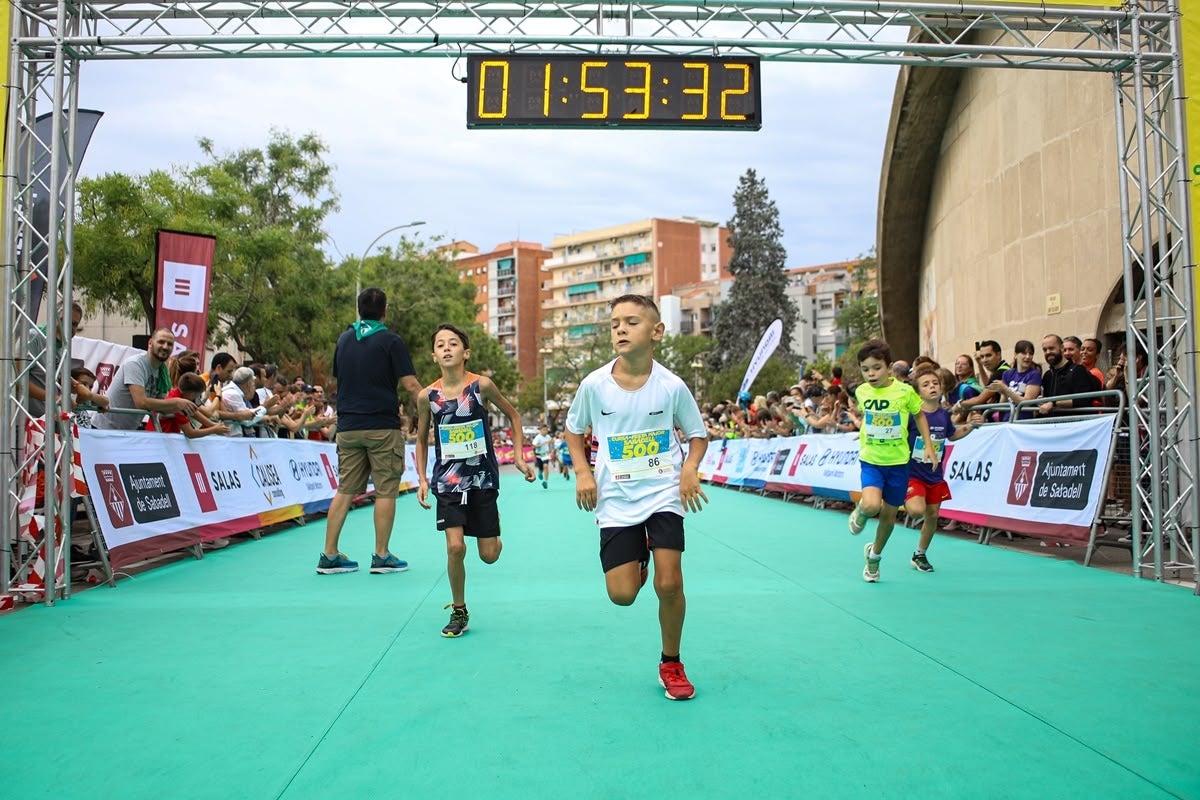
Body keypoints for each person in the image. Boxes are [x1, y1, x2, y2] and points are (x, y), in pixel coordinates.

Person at [565, 294, 709, 701]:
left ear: (656, 332)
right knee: (622, 595)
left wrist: (688, 468)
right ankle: (639, 556)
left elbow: (697, 436)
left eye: (631, 322)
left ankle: (672, 661)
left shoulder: (672, 386)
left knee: (669, 582)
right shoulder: (594, 385)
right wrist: (581, 472)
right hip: (617, 499)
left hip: (663, 491)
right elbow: (574, 431)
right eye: (614, 324)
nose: (621, 330)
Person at [415, 324, 534, 637]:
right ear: (433, 355)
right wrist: (422, 479)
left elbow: (514, 416)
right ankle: (459, 609)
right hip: (448, 481)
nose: (446, 348)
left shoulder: (481, 386)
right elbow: (420, 439)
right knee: (455, 547)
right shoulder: (427, 396)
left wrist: (519, 457)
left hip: (482, 479)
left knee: (489, 555)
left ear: (465, 353)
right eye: (440, 344)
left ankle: (494, 533)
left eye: (453, 343)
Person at [317, 287, 423, 575]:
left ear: (359, 309)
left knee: (345, 489)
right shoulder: (391, 341)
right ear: (385, 310)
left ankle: (329, 555)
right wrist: (434, 410)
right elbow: (411, 385)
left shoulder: (344, 339)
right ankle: (381, 555)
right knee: (386, 490)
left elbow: (341, 379)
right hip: (381, 427)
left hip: (348, 427)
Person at [847, 339, 936, 583]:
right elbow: (871, 418)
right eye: (865, 369)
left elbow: (919, 416)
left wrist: (928, 445)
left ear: (888, 367)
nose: (871, 374)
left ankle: (874, 557)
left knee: (889, 516)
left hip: (898, 463)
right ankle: (861, 511)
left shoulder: (905, 392)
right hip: (872, 460)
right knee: (871, 505)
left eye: (876, 367)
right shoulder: (862, 392)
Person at [903, 368, 981, 572]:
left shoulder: (943, 415)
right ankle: (899, 495)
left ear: (942, 387)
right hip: (912, 474)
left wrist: (971, 426)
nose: (932, 387)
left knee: (933, 516)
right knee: (916, 510)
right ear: (918, 392)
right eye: (926, 384)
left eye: (935, 383)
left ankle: (919, 554)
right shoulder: (912, 415)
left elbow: (952, 435)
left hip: (935, 475)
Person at [92, 328, 196, 430]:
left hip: (128, 432)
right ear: (150, 343)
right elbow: (141, 402)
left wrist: (187, 409)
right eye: (161, 342)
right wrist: (177, 403)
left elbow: (162, 406)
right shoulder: (135, 364)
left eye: (170, 344)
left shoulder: (162, 371)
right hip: (103, 429)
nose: (165, 347)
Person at [531, 424, 553, 488]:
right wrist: (542, 444)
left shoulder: (548, 437)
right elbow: (534, 446)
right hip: (539, 455)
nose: (545, 431)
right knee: (541, 468)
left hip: (546, 454)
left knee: (546, 466)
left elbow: (551, 442)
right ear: (540, 430)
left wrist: (551, 448)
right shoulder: (538, 437)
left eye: (546, 430)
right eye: (544, 430)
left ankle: (545, 481)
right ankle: (540, 472)